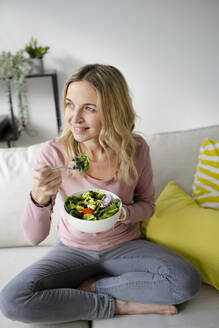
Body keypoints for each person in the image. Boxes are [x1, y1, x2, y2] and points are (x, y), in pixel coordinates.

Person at [0, 64, 201, 324]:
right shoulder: (55, 153)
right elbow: (34, 236)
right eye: (70, 104)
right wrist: (39, 195)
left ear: (113, 111)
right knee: (12, 300)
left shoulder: (136, 149)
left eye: (89, 108)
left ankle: (94, 288)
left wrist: (123, 213)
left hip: (125, 245)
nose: (74, 118)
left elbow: (148, 205)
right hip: (72, 250)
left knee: (186, 281)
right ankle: (119, 305)